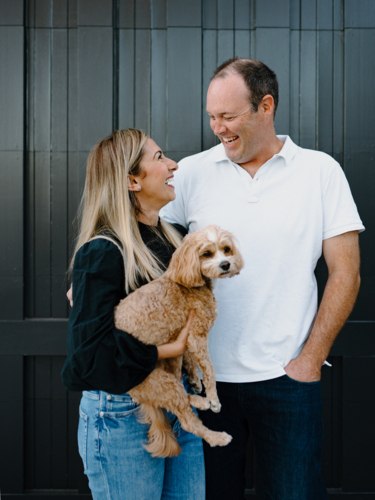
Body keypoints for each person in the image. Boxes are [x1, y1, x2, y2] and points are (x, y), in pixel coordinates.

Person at [160, 58, 364, 499]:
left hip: (288, 380)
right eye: (212, 116)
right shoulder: (192, 172)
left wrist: (310, 360)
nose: (218, 127)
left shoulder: (320, 172)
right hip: (202, 380)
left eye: (229, 116)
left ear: (265, 106)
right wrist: (91, 272)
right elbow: (133, 229)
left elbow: (346, 271)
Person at [61, 129, 205, 500]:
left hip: (178, 402)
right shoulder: (103, 252)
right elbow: (87, 359)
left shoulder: (173, 240)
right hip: (122, 415)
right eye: (159, 158)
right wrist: (163, 352)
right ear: (131, 180)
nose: (173, 164)